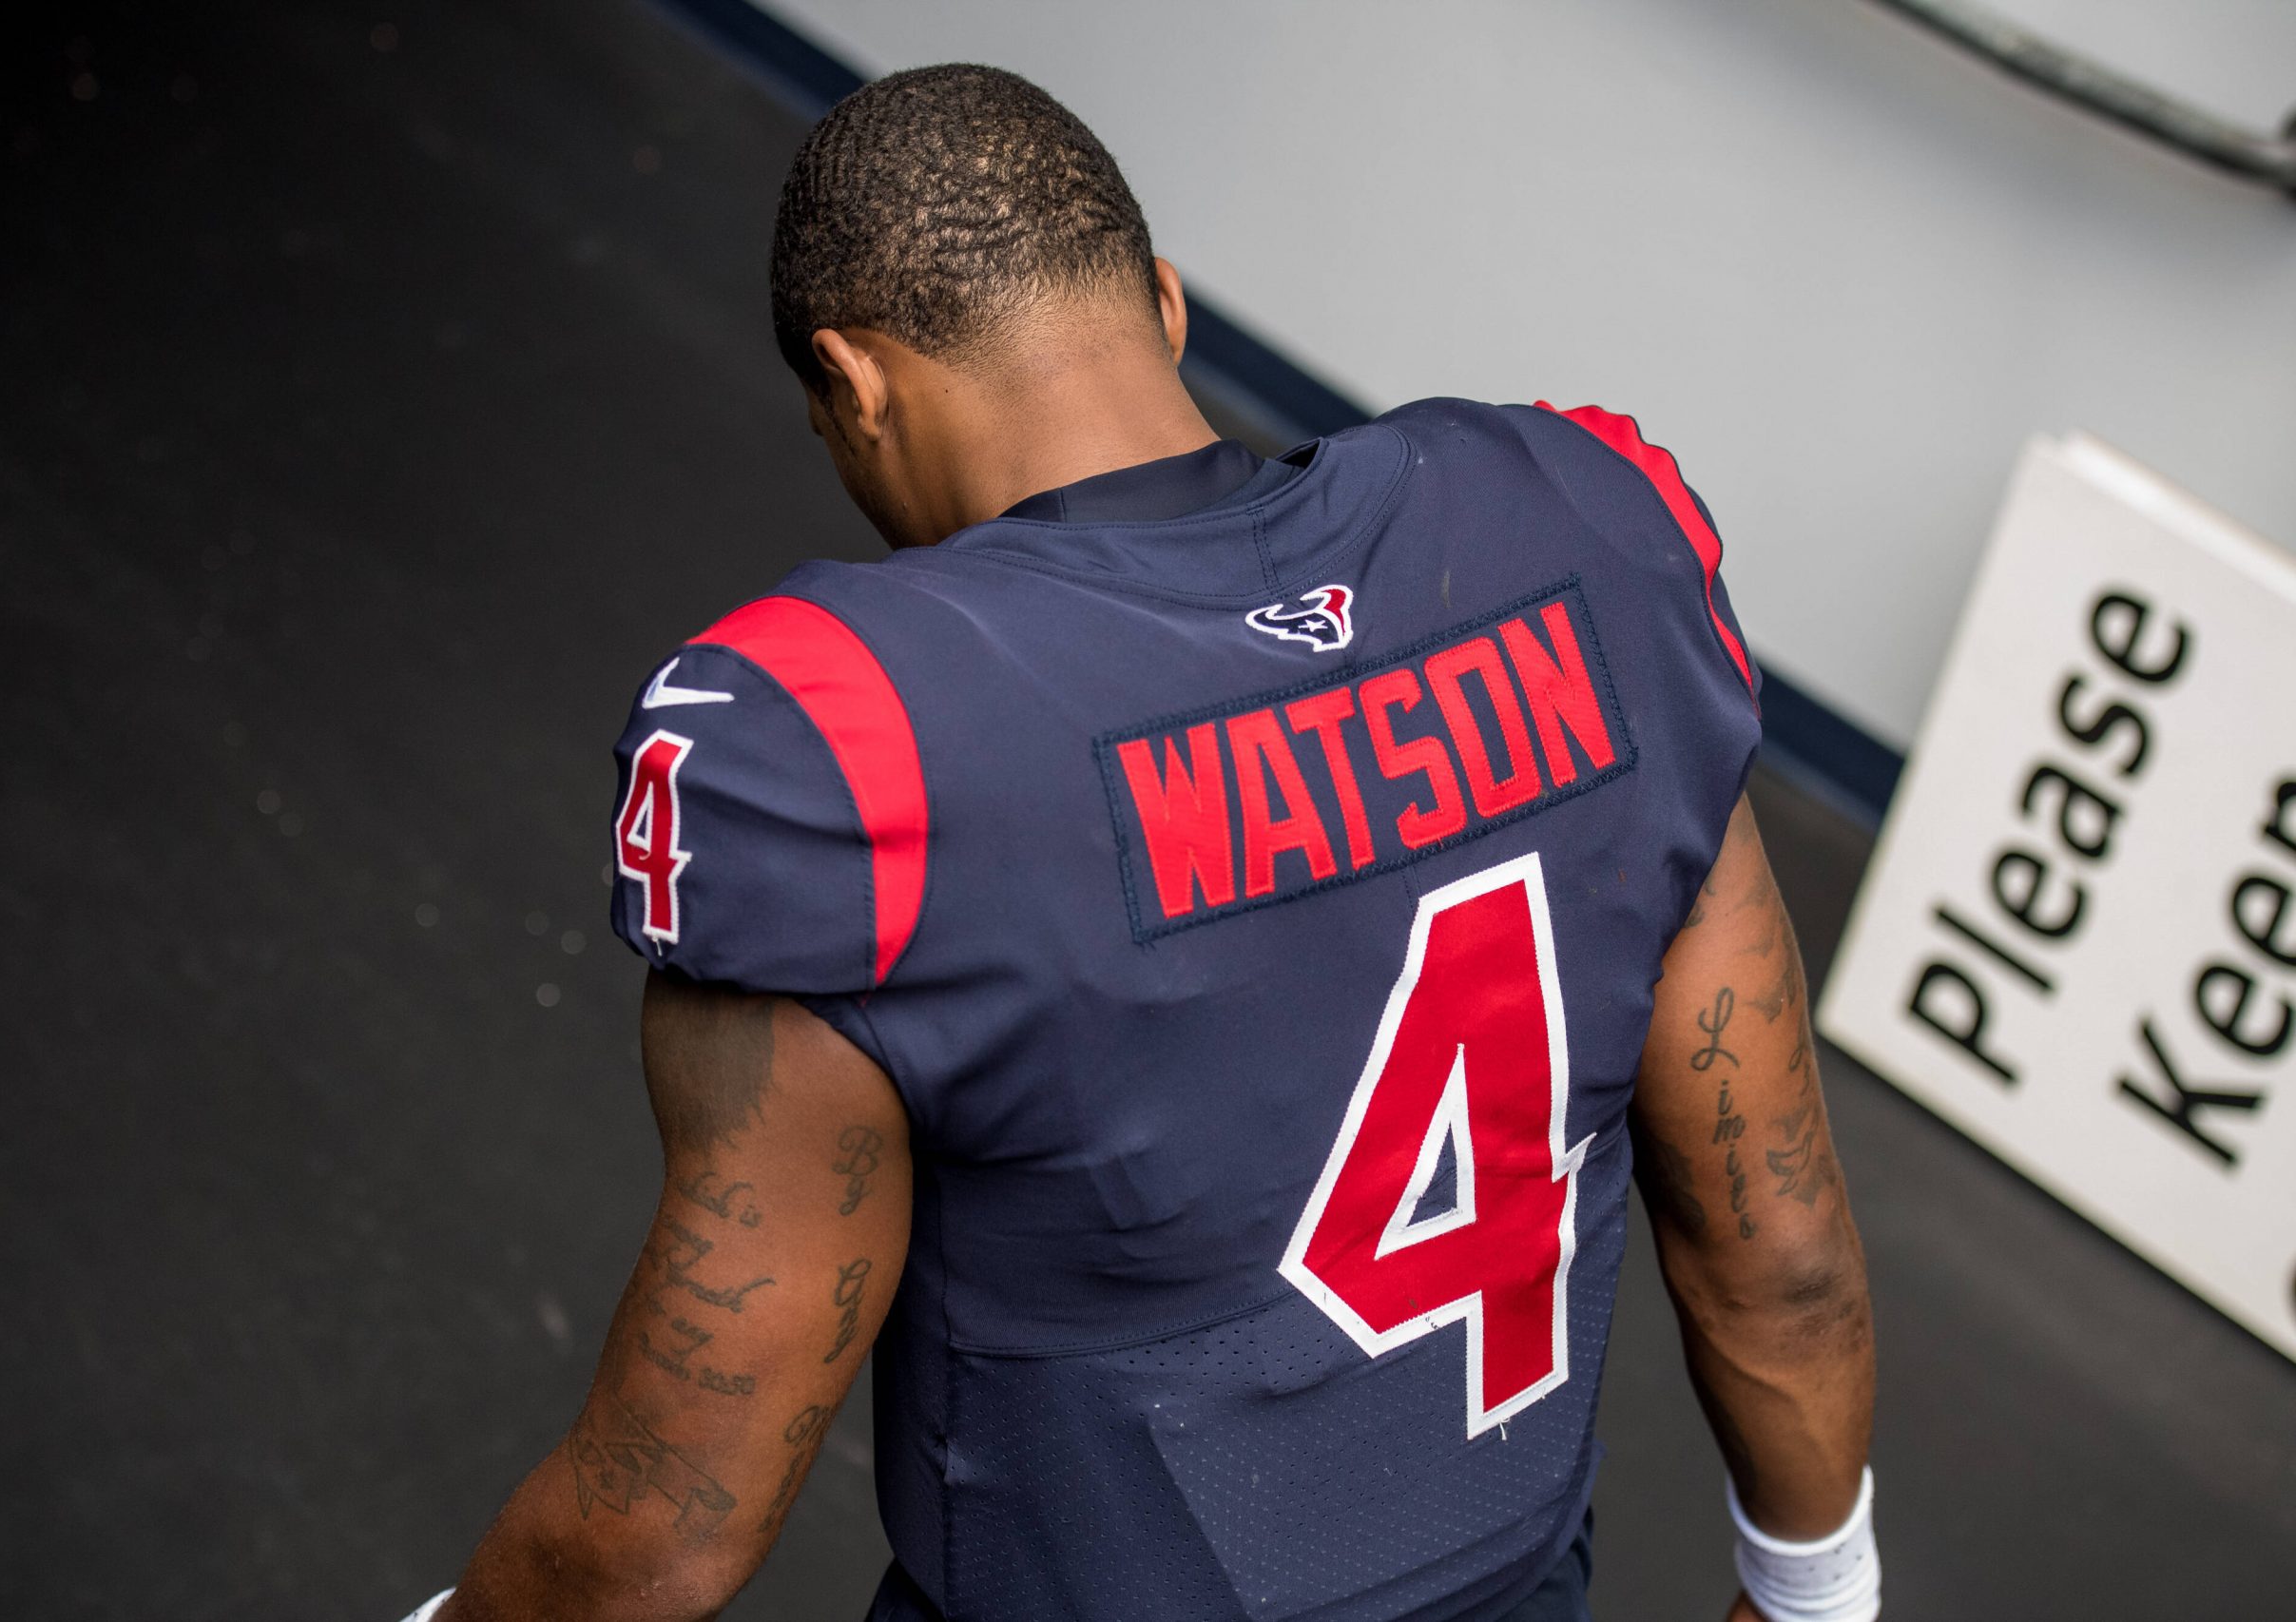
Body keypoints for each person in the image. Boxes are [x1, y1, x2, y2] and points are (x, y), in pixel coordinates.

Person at [406, 63, 1878, 1622]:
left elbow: (663, 1526)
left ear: (852, 383)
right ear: (1164, 304)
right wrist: (1817, 1591)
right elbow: (1771, 1238)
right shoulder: (1586, 549)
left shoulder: (853, 753)